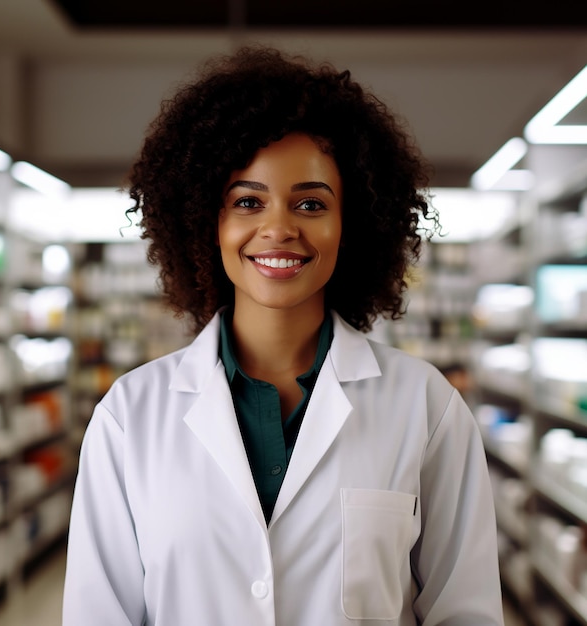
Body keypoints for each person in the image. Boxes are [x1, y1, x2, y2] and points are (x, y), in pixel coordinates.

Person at [62, 45, 504, 625]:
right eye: (247, 201)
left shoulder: (425, 407)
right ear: (204, 221)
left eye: (311, 203)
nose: (278, 229)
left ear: (353, 224)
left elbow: (465, 613)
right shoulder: (130, 416)